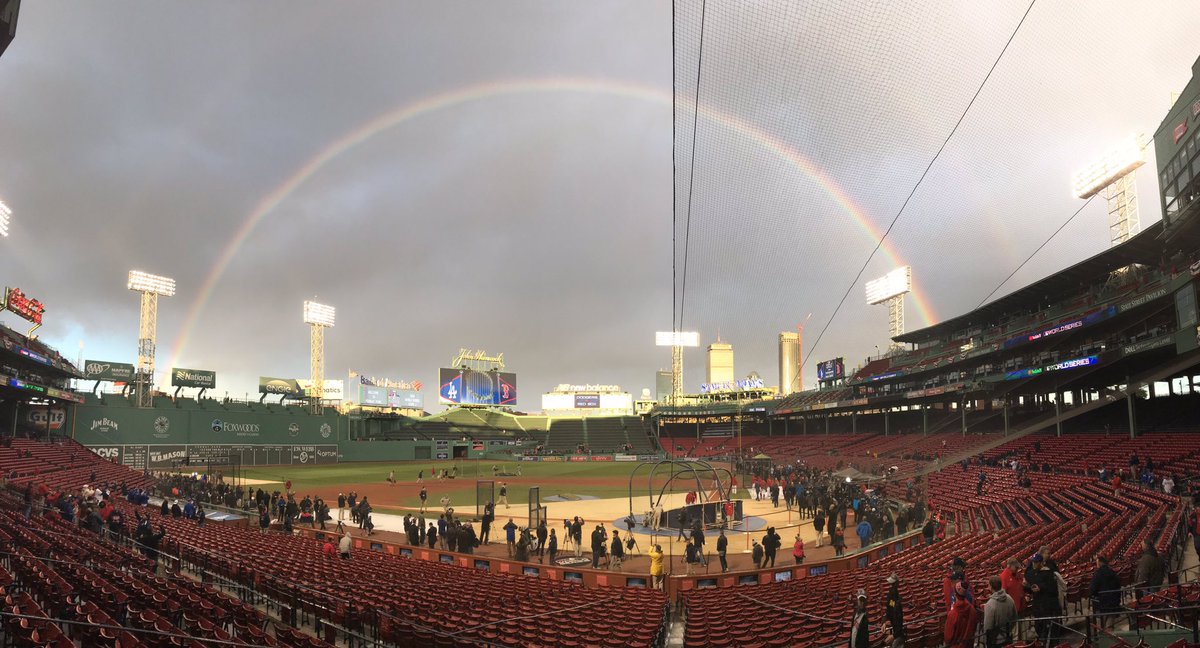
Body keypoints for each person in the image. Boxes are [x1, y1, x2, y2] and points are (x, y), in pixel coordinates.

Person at [983, 575, 1017, 648]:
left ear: (991, 587)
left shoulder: (990, 604)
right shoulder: (1010, 598)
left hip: (996, 641)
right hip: (1008, 636)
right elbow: (1015, 617)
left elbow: (988, 627)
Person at [1089, 556, 1122, 629]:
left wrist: (1093, 594)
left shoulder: (1098, 574)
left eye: (1097, 562)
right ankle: (1109, 635)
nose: (1096, 564)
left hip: (1103, 601)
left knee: (1103, 624)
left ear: (1100, 562)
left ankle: (1105, 636)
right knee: (1110, 623)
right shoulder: (1112, 572)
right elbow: (1118, 585)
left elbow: (1093, 589)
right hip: (1114, 600)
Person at [944, 582, 979, 648]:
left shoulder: (952, 614)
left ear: (955, 594)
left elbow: (948, 637)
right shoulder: (972, 609)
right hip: (969, 645)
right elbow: (974, 628)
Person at [884, 574, 904, 648]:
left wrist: (894, 635)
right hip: (894, 630)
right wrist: (885, 621)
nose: (890, 586)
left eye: (892, 584)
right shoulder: (891, 597)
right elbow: (889, 609)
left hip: (897, 635)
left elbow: (899, 621)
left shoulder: (897, 602)